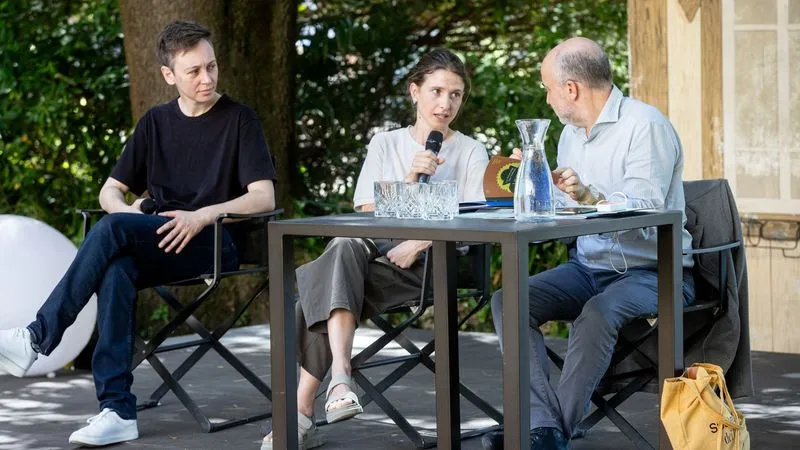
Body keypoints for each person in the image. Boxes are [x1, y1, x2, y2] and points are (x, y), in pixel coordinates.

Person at [0, 21, 277, 447]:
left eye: (212, 66)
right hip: (157, 237)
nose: (207, 78)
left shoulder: (240, 120)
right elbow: (109, 191)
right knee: (117, 268)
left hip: (214, 242)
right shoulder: (155, 123)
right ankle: (116, 411)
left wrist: (203, 215)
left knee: (114, 233)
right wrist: (128, 212)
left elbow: (263, 196)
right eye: (194, 71)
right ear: (169, 75)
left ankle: (37, 336)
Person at [261, 48, 489, 450]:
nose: (445, 103)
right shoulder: (386, 143)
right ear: (414, 92)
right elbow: (364, 208)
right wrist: (411, 176)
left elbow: (476, 220)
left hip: (436, 264)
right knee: (345, 246)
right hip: (375, 255)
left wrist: (418, 243)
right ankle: (340, 380)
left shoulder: (471, 151)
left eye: (455, 94)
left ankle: (303, 411)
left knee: (316, 289)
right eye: (436, 91)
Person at [481, 37, 696, 450]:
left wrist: (590, 196)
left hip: (656, 271)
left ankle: (545, 433)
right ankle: (542, 424)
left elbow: (647, 210)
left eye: (547, 87)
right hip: (589, 267)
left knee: (598, 311)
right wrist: (532, 182)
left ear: (571, 88)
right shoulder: (568, 136)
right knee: (509, 300)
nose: (546, 99)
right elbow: (566, 210)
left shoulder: (645, 125)